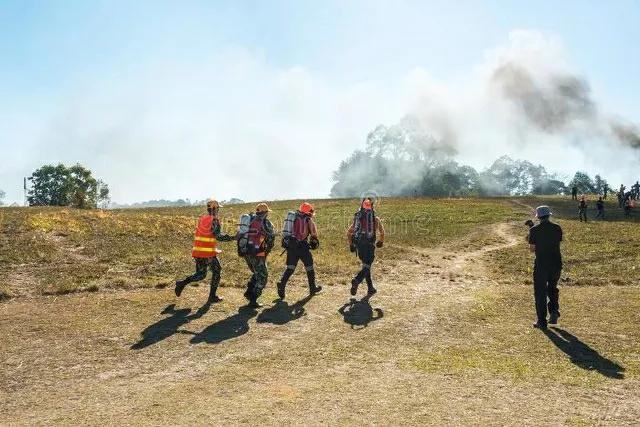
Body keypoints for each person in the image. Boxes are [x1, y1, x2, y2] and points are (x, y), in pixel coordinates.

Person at [175, 199, 236, 304]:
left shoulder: (203, 218)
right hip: (207, 253)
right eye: (218, 208)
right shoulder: (214, 220)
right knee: (217, 271)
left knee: (201, 274)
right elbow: (219, 236)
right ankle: (212, 297)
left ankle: (181, 283)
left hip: (198, 251)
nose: (218, 210)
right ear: (215, 209)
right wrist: (234, 237)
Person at [276, 202, 322, 300]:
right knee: (309, 267)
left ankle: (282, 283)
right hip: (303, 246)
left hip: (291, 246)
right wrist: (314, 241)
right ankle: (312, 288)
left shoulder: (293, 217)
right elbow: (314, 234)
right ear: (309, 211)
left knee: (290, 268)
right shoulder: (308, 220)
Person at [528, 205, 563, 329]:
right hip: (556, 263)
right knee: (552, 288)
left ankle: (541, 321)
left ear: (538, 216)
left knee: (540, 292)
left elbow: (532, 249)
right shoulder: (557, 228)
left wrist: (530, 236)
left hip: (541, 264)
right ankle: (554, 312)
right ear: (549, 215)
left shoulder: (534, 230)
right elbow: (557, 243)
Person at [346, 198, 385, 296]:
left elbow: (349, 232)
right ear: (372, 207)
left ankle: (370, 288)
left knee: (365, 266)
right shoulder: (375, 219)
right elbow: (382, 233)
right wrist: (380, 242)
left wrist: (351, 245)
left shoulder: (358, 218)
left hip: (359, 245)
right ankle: (357, 280)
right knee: (367, 266)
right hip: (369, 245)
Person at [241, 203, 276, 308]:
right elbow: (271, 239)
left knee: (257, 272)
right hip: (258, 252)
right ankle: (253, 299)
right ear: (265, 213)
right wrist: (266, 252)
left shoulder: (250, 220)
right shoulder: (266, 223)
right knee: (263, 277)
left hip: (247, 252)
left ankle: (248, 292)